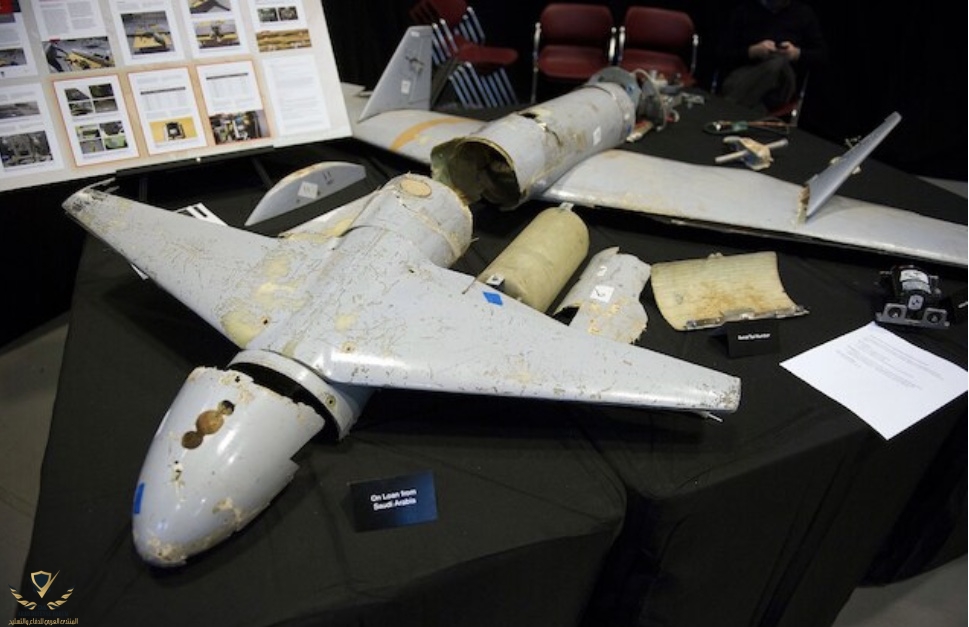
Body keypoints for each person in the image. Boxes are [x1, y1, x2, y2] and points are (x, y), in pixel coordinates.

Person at [717, 0, 827, 113]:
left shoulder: (803, 14)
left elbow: (821, 55)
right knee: (759, 97)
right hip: (747, 73)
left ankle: (729, 108)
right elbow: (722, 53)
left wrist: (796, 53)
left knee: (778, 62)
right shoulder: (745, 10)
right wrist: (752, 51)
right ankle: (752, 113)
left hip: (784, 81)